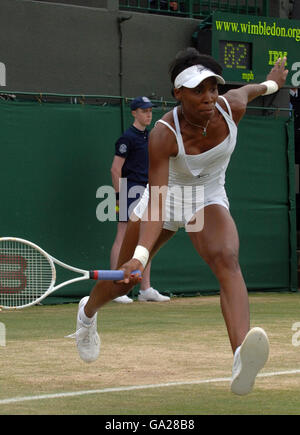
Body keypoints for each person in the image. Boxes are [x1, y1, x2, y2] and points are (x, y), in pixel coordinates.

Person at [70, 48, 288, 395]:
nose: (208, 97)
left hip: (209, 196)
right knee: (124, 283)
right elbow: (156, 200)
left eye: (213, 88)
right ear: (178, 94)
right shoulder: (163, 134)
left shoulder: (231, 107)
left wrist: (272, 84)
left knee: (226, 258)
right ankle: (87, 314)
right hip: (166, 198)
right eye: (198, 90)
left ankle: (240, 358)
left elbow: (253, 89)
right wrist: (139, 258)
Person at [110, 96, 170, 303]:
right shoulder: (127, 138)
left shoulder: (151, 137)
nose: (148, 114)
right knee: (123, 236)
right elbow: (115, 169)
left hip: (147, 190)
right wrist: (119, 197)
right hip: (129, 189)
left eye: (150, 110)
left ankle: (145, 289)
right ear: (134, 112)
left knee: (147, 239)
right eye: (144, 111)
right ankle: (116, 286)